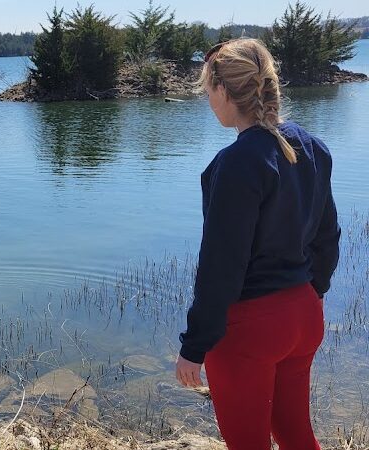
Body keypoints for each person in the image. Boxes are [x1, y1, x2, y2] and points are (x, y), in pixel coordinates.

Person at [176, 38, 341, 450]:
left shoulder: (235, 164)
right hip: (303, 316)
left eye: (207, 89)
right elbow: (328, 237)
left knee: (248, 443)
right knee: (296, 434)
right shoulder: (311, 147)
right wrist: (313, 292)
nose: (207, 99)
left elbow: (221, 267)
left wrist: (194, 346)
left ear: (224, 92)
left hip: (251, 329)